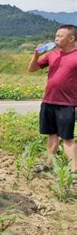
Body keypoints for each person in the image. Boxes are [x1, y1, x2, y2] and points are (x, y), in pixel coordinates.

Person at [28, 24, 77, 172]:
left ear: (71, 38)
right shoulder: (52, 55)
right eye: (56, 36)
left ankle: (74, 170)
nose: (56, 39)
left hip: (67, 103)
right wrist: (36, 56)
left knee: (67, 138)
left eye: (60, 36)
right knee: (52, 135)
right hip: (49, 101)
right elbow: (32, 68)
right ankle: (48, 165)